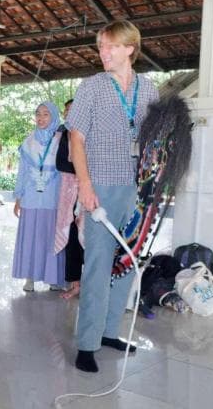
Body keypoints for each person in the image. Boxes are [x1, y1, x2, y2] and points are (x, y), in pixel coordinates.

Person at [68, 20, 159, 372]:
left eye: (109, 46)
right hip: (101, 185)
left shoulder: (148, 89)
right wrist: (86, 186)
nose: (102, 52)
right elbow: (76, 140)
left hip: (136, 188)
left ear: (129, 49)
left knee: (125, 265)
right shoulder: (91, 87)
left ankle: (109, 332)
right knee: (97, 265)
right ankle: (87, 343)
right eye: (101, 46)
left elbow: (154, 141)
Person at [12, 102, 65, 292]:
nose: (41, 118)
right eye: (38, 114)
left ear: (53, 117)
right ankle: (30, 278)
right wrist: (18, 197)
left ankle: (53, 278)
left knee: (51, 236)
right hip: (31, 196)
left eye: (46, 114)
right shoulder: (28, 141)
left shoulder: (61, 140)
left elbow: (66, 172)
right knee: (31, 236)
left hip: (53, 196)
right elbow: (22, 172)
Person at [54, 99, 84, 300]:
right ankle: (75, 284)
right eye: (66, 111)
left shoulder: (92, 134)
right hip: (69, 194)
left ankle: (91, 285)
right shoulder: (63, 135)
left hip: (90, 193)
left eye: (73, 110)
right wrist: (82, 169)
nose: (69, 114)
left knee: (90, 241)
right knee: (73, 238)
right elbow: (61, 163)